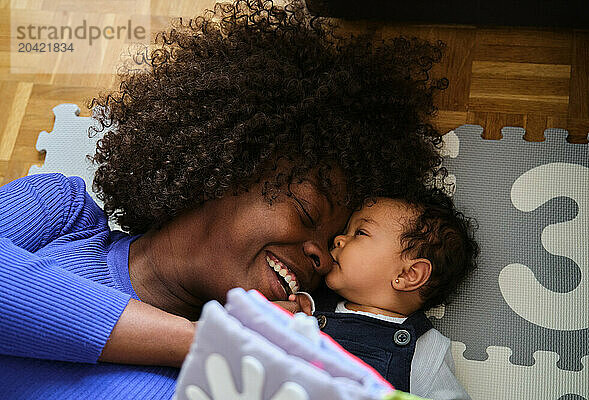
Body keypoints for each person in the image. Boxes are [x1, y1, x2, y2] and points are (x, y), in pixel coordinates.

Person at [0, 0, 449, 398]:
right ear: (232, 164)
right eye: (309, 210)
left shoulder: (226, 385)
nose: (322, 256)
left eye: (334, 247)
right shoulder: (62, 208)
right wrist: (203, 341)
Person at [291, 190, 478, 399]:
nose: (339, 239)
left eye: (360, 233)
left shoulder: (424, 349)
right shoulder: (310, 306)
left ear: (408, 274)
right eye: (346, 231)